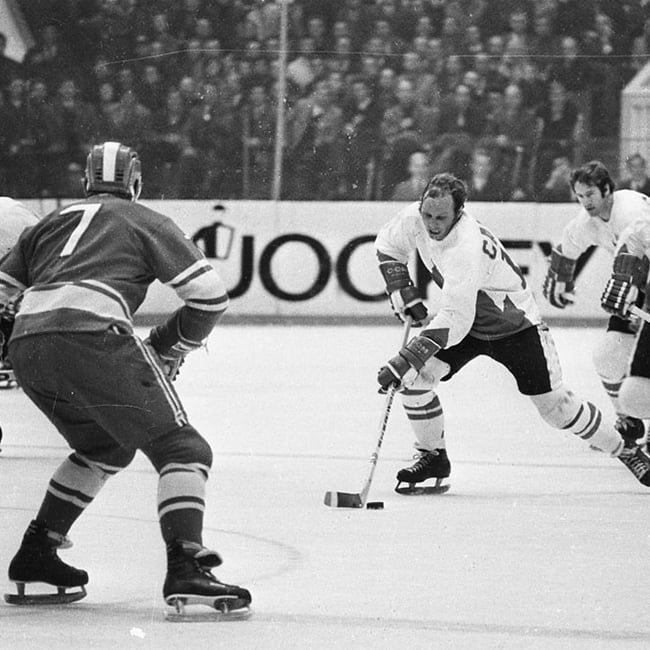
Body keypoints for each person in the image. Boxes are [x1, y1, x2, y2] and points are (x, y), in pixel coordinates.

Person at [0, 142, 251, 618]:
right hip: (92, 336)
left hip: (29, 343)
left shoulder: (52, 221)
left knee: (105, 447)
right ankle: (186, 565)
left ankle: (37, 554)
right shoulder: (145, 220)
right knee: (184, 450)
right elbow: (210, 297)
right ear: (135, 183)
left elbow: (3, 293)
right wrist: (166, 345)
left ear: (86, 183)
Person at [374, 172, 650, 493]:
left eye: (441, 217)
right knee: (416, 381)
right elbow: (388, 245)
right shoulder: (414, 219)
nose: (432, 224)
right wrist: (400, 288)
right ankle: (433, 455)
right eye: (427, 214)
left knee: (556, 409)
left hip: (515, 327)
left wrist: (406, 357)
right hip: (466, 325)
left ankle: (625, 449)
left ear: (459, 213)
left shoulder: (465, 246)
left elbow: (456, 318)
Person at [542, 160, 650, 446]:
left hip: (643, 280)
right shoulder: (586, 222)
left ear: (606, 189)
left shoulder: (632, 211)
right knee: (607, 356)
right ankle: (629, 420)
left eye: (590, 194)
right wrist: (559, 276)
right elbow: (568, 247)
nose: (585, 202)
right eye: (579, 196)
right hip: (635, 284)